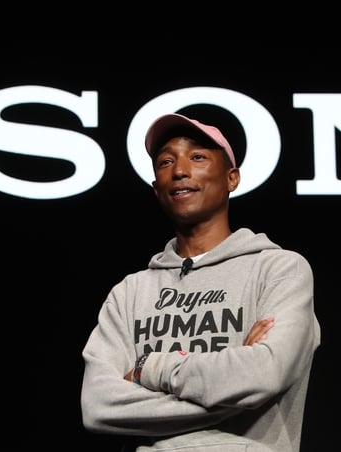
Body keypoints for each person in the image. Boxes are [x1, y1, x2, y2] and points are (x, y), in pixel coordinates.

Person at [80, 113, 321, 452]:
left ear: (232, 178)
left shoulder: (279, 270)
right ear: (157, 189)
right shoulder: (129, 292)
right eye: (165, 162)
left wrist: (149, 368)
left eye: (197, 157)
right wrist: (236, 391)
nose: (179, 170)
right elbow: (99, 406)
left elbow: (266, 372)